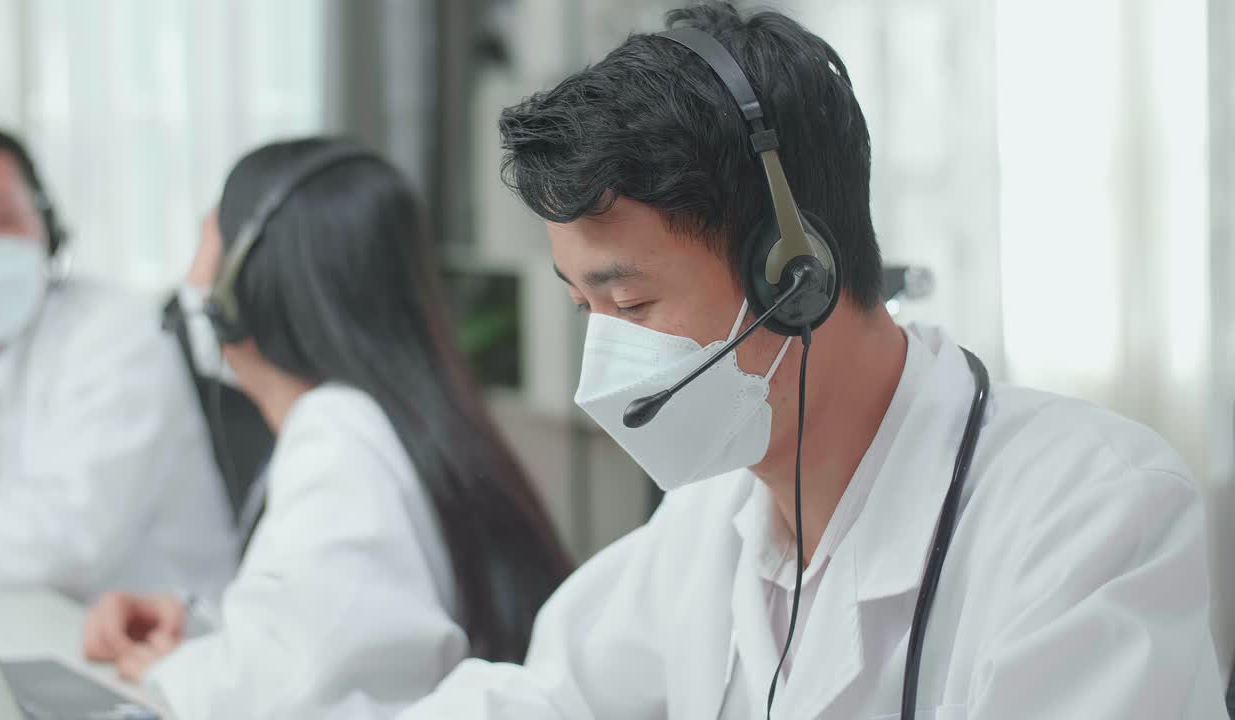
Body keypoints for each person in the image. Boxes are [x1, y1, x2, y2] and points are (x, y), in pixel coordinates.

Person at [401, 4, 1225, 719]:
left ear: (795, 278)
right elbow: (544, 698)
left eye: (631, 306)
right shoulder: (709, 521)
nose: (606, 358)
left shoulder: (1094, 514)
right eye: (585, 309)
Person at [81, 137, 573, 719]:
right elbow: (342, 621)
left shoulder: (338, 433)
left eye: (206, 237)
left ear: (243, 282)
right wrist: (197, 620)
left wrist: (173, 669)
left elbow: (293, 693)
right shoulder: (377, 417)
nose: (190, 280)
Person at [0, 124, 235, 600]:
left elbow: (70, 538)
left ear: (48, 229)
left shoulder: (120, 332)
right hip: (8, 632)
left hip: (156, 647)